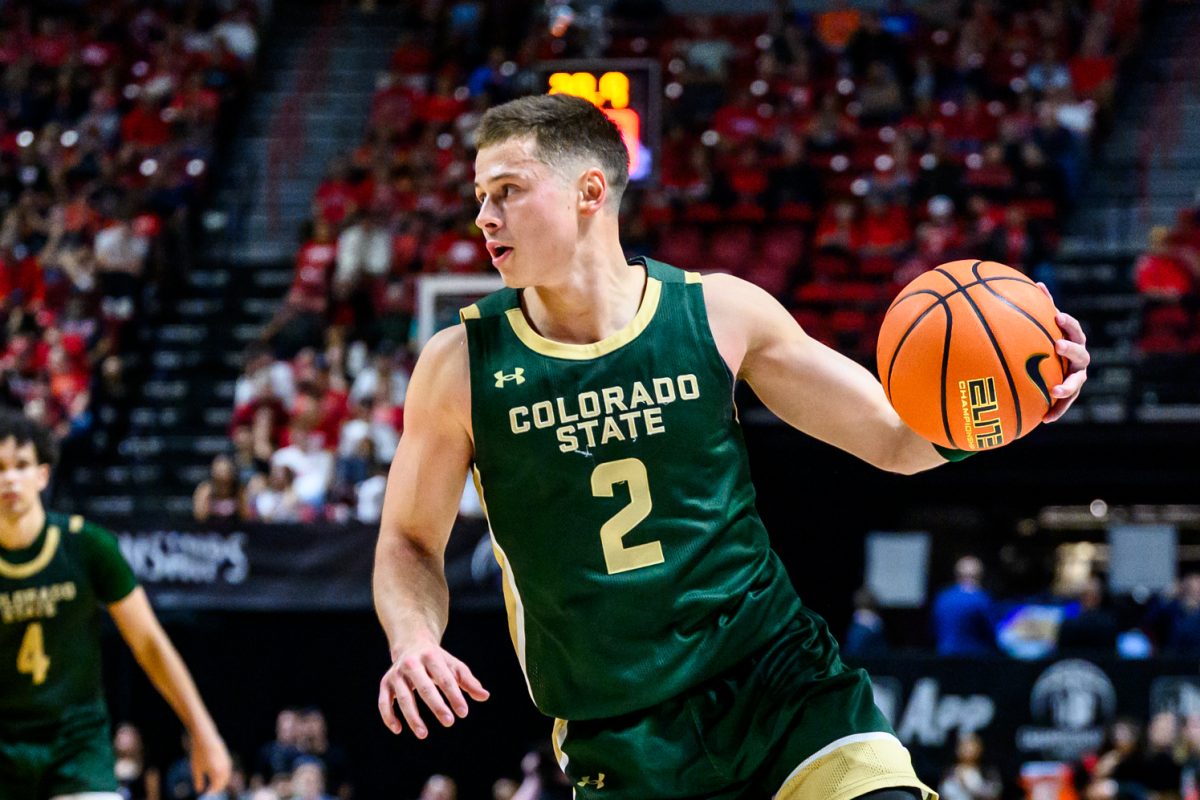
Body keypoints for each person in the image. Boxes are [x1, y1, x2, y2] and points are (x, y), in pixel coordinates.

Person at [372, 94, 1090, 800]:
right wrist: (413, 641)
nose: (483, 216)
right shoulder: (460, 364)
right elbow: (408, 540)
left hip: (779, 684)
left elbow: (896, 437)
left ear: (590, 191)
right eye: (479, 195)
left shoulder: (717, 312)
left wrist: (1006, 407)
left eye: (507, 191)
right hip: (622, 735)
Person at [0, 409, 231, 798]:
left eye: (20, 465)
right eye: (0, 467)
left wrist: (202, 730)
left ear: (42, 474)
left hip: (76, 746)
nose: (9, 477)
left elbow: (150, 645)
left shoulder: (88, 545)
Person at [932, 556, 997, 656]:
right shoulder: (981, 599)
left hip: (944, 656)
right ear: (980, 576)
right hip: (975, 659)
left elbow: (933, 628)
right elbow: (992, 632)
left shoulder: (943, 597)